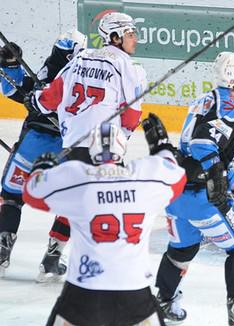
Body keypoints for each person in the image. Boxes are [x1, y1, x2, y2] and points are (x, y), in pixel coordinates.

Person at [21, 118, 186, 326]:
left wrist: (41, 168)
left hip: (84, 292)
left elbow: (30, 193)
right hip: (135, 292)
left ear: (91, 149)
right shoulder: (146, 178)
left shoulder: (76, 178)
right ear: (122, 147)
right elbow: (176, 176)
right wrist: (161, 146)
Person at [26, 12, 147, 280]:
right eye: (130, 33)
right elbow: (130, 117)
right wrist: (120, 139)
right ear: (114, 37)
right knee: (103, 206)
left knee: (77, 200)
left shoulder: (79, 58)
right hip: (104, 146)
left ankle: (53, 254)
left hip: (72, 145)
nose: (135, 38)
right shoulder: (130, 67)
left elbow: (50, 98)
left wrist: (33, 102)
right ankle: (97, 266)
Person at [154, 52, 234, 326]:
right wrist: (216, 179)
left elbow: (210, 156)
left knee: (182, 251)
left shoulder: (203, 100)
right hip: (202, 197)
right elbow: (205, 146)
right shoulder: (233, 107)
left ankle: (164, 301)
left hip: (177, 194)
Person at [0, 30, 88, 278]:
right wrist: (12, 64)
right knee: (73, 202)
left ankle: (1, 250)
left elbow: (16, 91)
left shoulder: (52, 71)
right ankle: (53, 256)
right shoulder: (84, 74)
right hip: (66, 149)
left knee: (10, 196)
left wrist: (9, 65)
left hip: (33, 143)